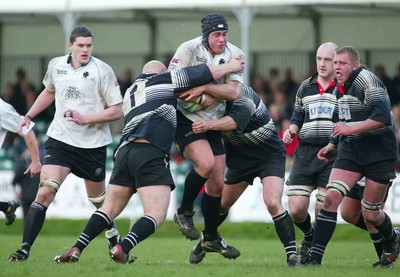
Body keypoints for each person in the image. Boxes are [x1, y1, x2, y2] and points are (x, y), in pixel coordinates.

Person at [52, 58, 244, 263]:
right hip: (150, 151)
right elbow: (202, 72)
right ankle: (122, 247)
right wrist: (231, 67)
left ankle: (76, 248)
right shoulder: (165, 79)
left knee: (108, 209)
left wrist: (196, 100)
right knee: (156, 214)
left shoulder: (130, 91)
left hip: (124, 152)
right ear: (160, 73)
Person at [8, 26, 123, 261]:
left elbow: (117, 111)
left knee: (99, 201)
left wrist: (85, 119)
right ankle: (24, 250)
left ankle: (112, 236)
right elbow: (49, 92)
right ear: (70, 45)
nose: (85, 50)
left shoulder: (102, 70)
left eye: (89, 45)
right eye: (80, 45)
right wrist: (28, 116)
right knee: (45, 193)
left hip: (92, 146)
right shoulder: (56, 65)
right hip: (60, 140)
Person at [304, 46, 400, 267]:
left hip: (379, 153)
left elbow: (383, 118)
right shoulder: (339, 89)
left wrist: (350, 130)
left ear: (355, 65)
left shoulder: (368, 82)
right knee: (332, 200)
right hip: (351, 153)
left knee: (371, 213)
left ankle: (393, 239)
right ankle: (314, 261)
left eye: (342, 63)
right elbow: (341, 122)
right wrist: (331, 145)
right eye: (335, 63)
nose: (336, 67)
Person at [189, 84, 299, 267]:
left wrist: (207, 124)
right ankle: (205, 241)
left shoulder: (245, 96)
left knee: (272, 201)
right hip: (240, 160)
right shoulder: (214, 103)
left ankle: (292, 256)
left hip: (269, 155)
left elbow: (233, 122)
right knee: (222, 204)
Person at [168, 13, 245, 260]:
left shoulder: (235, 53)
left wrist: (202, 87)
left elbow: (233, 91)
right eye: (216, 35)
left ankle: (210, 238)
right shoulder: (188, 49)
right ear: (206, 35)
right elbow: (176, 84)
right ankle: (184, 211)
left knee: (217, 184)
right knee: (206, 163)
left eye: (224, 34)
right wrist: (212, 84)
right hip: (185, 119)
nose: (222, 39)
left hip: (212, 122)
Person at [282, 42, 338, 262]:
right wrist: (292, 131)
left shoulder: (344, 87)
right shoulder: (306, 86)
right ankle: (309, 234)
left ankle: (315, 255)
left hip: (333, 154)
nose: (322, 64)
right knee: (296, 209)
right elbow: (297, 116)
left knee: (323, 210)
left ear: (336, 62)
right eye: (319, 59)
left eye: (327, 60)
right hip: (305, 153)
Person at [341, 178, 400, 268]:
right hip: (356, 174)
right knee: (348, 214)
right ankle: (393, 235)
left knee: (370, 217)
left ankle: (386, 262)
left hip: (376, 173)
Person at [0, 97, 41, 225]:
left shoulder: (2, 109)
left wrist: (35, 160)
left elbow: (26, 128)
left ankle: (6, 207)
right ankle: (5, 207)